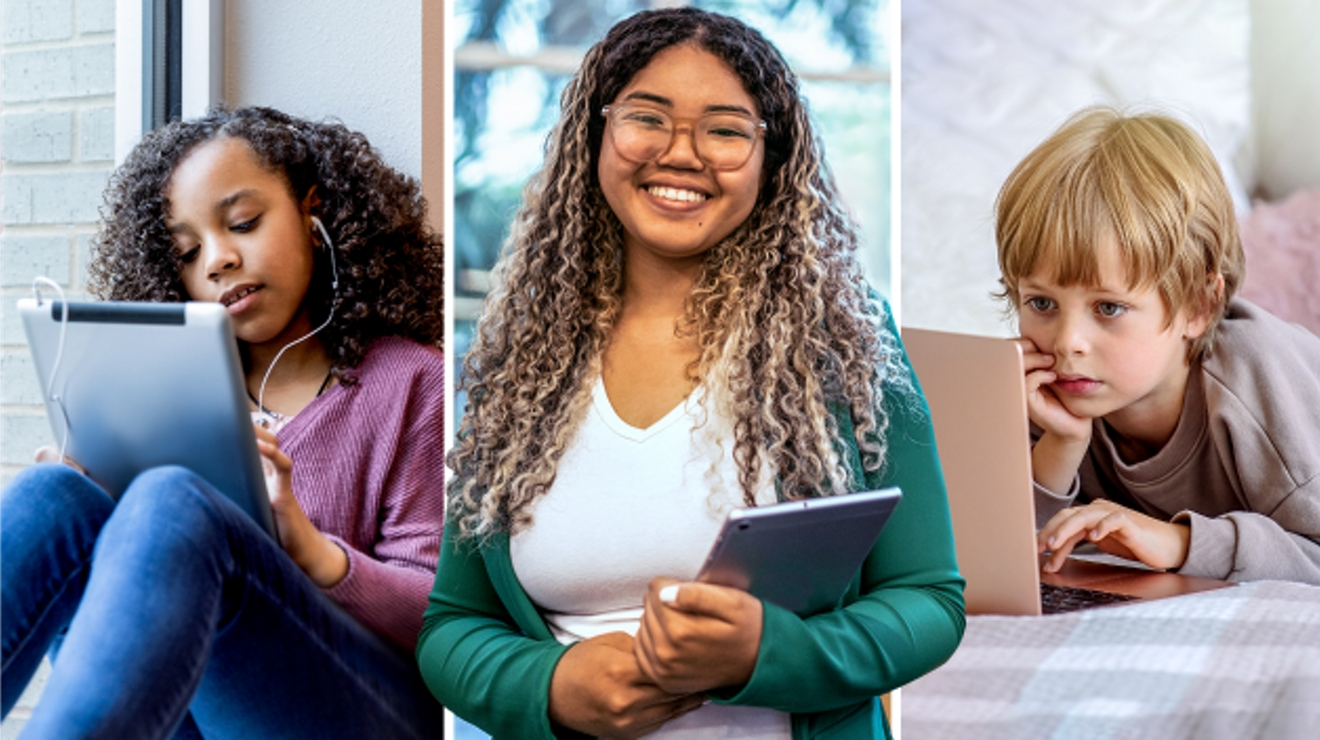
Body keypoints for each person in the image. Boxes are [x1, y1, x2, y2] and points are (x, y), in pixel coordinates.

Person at [417, 8, 965, 739]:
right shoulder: (521, 349)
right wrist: (549, 686)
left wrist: (769, 654)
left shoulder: (845, 335)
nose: (682, 154)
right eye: (648, 118)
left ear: (771, 157)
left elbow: (928, 600)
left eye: (726, 129)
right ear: (597, 133)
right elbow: (454, 624)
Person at [0, 106, 448, 738]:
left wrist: (314, 554)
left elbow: (445, 622)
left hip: (373, 711)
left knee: (175, 497)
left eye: (242, 223)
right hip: (197, 709)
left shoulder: (413, 383)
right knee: (56, 496)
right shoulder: (166, 399)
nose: (217, 261)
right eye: (187, 251)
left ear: (315, 215)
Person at [997, 107, 1320, 584]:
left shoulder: (1257, 375)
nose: (1067, 342)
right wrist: (1061, 446)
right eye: (1041, 302)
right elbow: (1004, 555)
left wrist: (1181, 543)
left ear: (1198, 307)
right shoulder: (1040, 393)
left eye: (1108, 308)